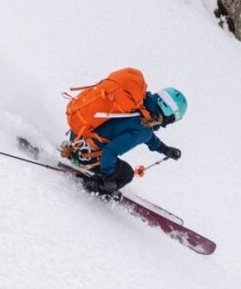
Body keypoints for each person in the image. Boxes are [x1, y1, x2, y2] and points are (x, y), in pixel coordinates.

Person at [60, 67, 187, 195]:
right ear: (168, 116)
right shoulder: (143, 129)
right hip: (84, 156)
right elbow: (110, 152)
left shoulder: (136, 103)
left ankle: (77, 156)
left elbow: (145, 135)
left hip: (76, 138)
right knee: (126, 174)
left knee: (110, 157)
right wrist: (109, 177)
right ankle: (97, 186)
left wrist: (164, 149)